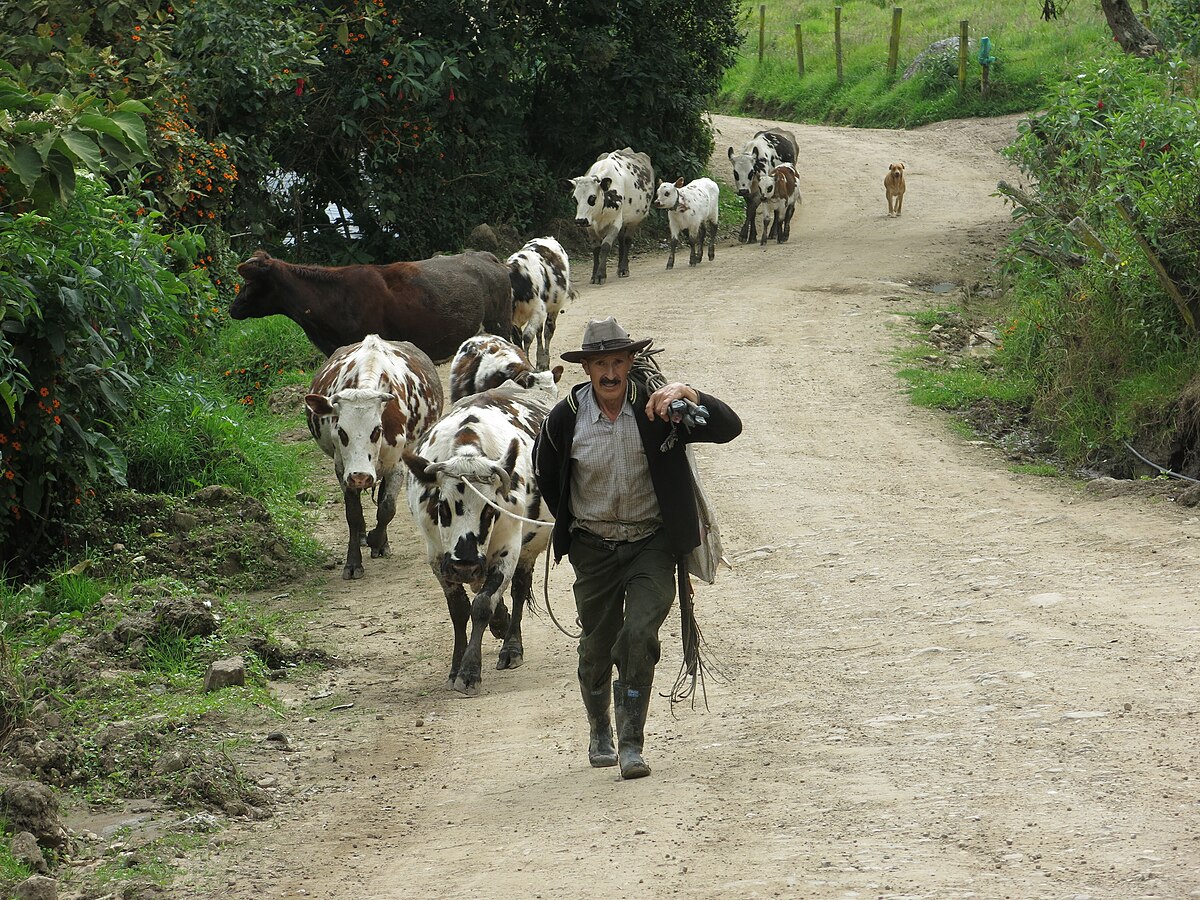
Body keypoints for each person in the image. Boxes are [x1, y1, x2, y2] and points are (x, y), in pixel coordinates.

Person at [533, 316, 742, 779]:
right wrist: (575, 526)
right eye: (600, 364)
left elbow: (730, 427)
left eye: (618, 362)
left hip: (651, 543)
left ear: (631, 362)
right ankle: (600, 730)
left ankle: (631, 743)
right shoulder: (565, 418)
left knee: (639, 635)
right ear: (586, 368)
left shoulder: (660, 411)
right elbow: (546, 473)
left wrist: (690, 393)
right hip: (593, 548)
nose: (610, 373)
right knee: (596, 646)